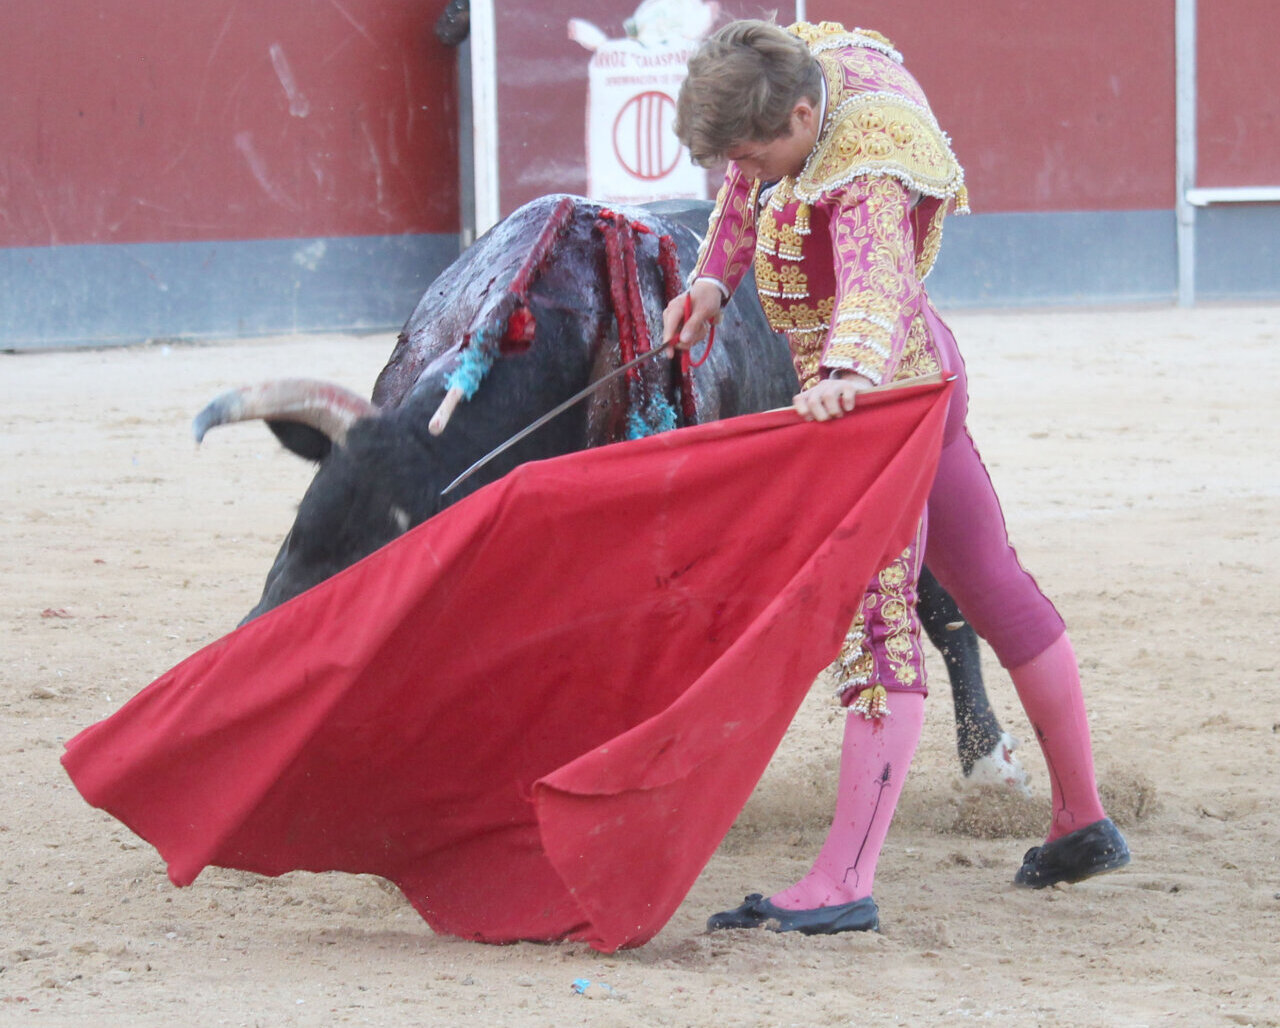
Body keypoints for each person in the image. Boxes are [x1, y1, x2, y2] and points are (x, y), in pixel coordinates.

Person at [662, 19, 1130, 935]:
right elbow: (742, 189)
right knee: (994, 585)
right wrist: (713, 280)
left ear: (804, 114)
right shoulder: (792, 71)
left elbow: (875, 281)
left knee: (883, 626)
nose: (748, 171)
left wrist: (846, 378)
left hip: (879, 404)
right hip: (924, 378)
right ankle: (1083, 819)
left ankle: (844, 881)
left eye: (760, 153)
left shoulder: (869, 157)